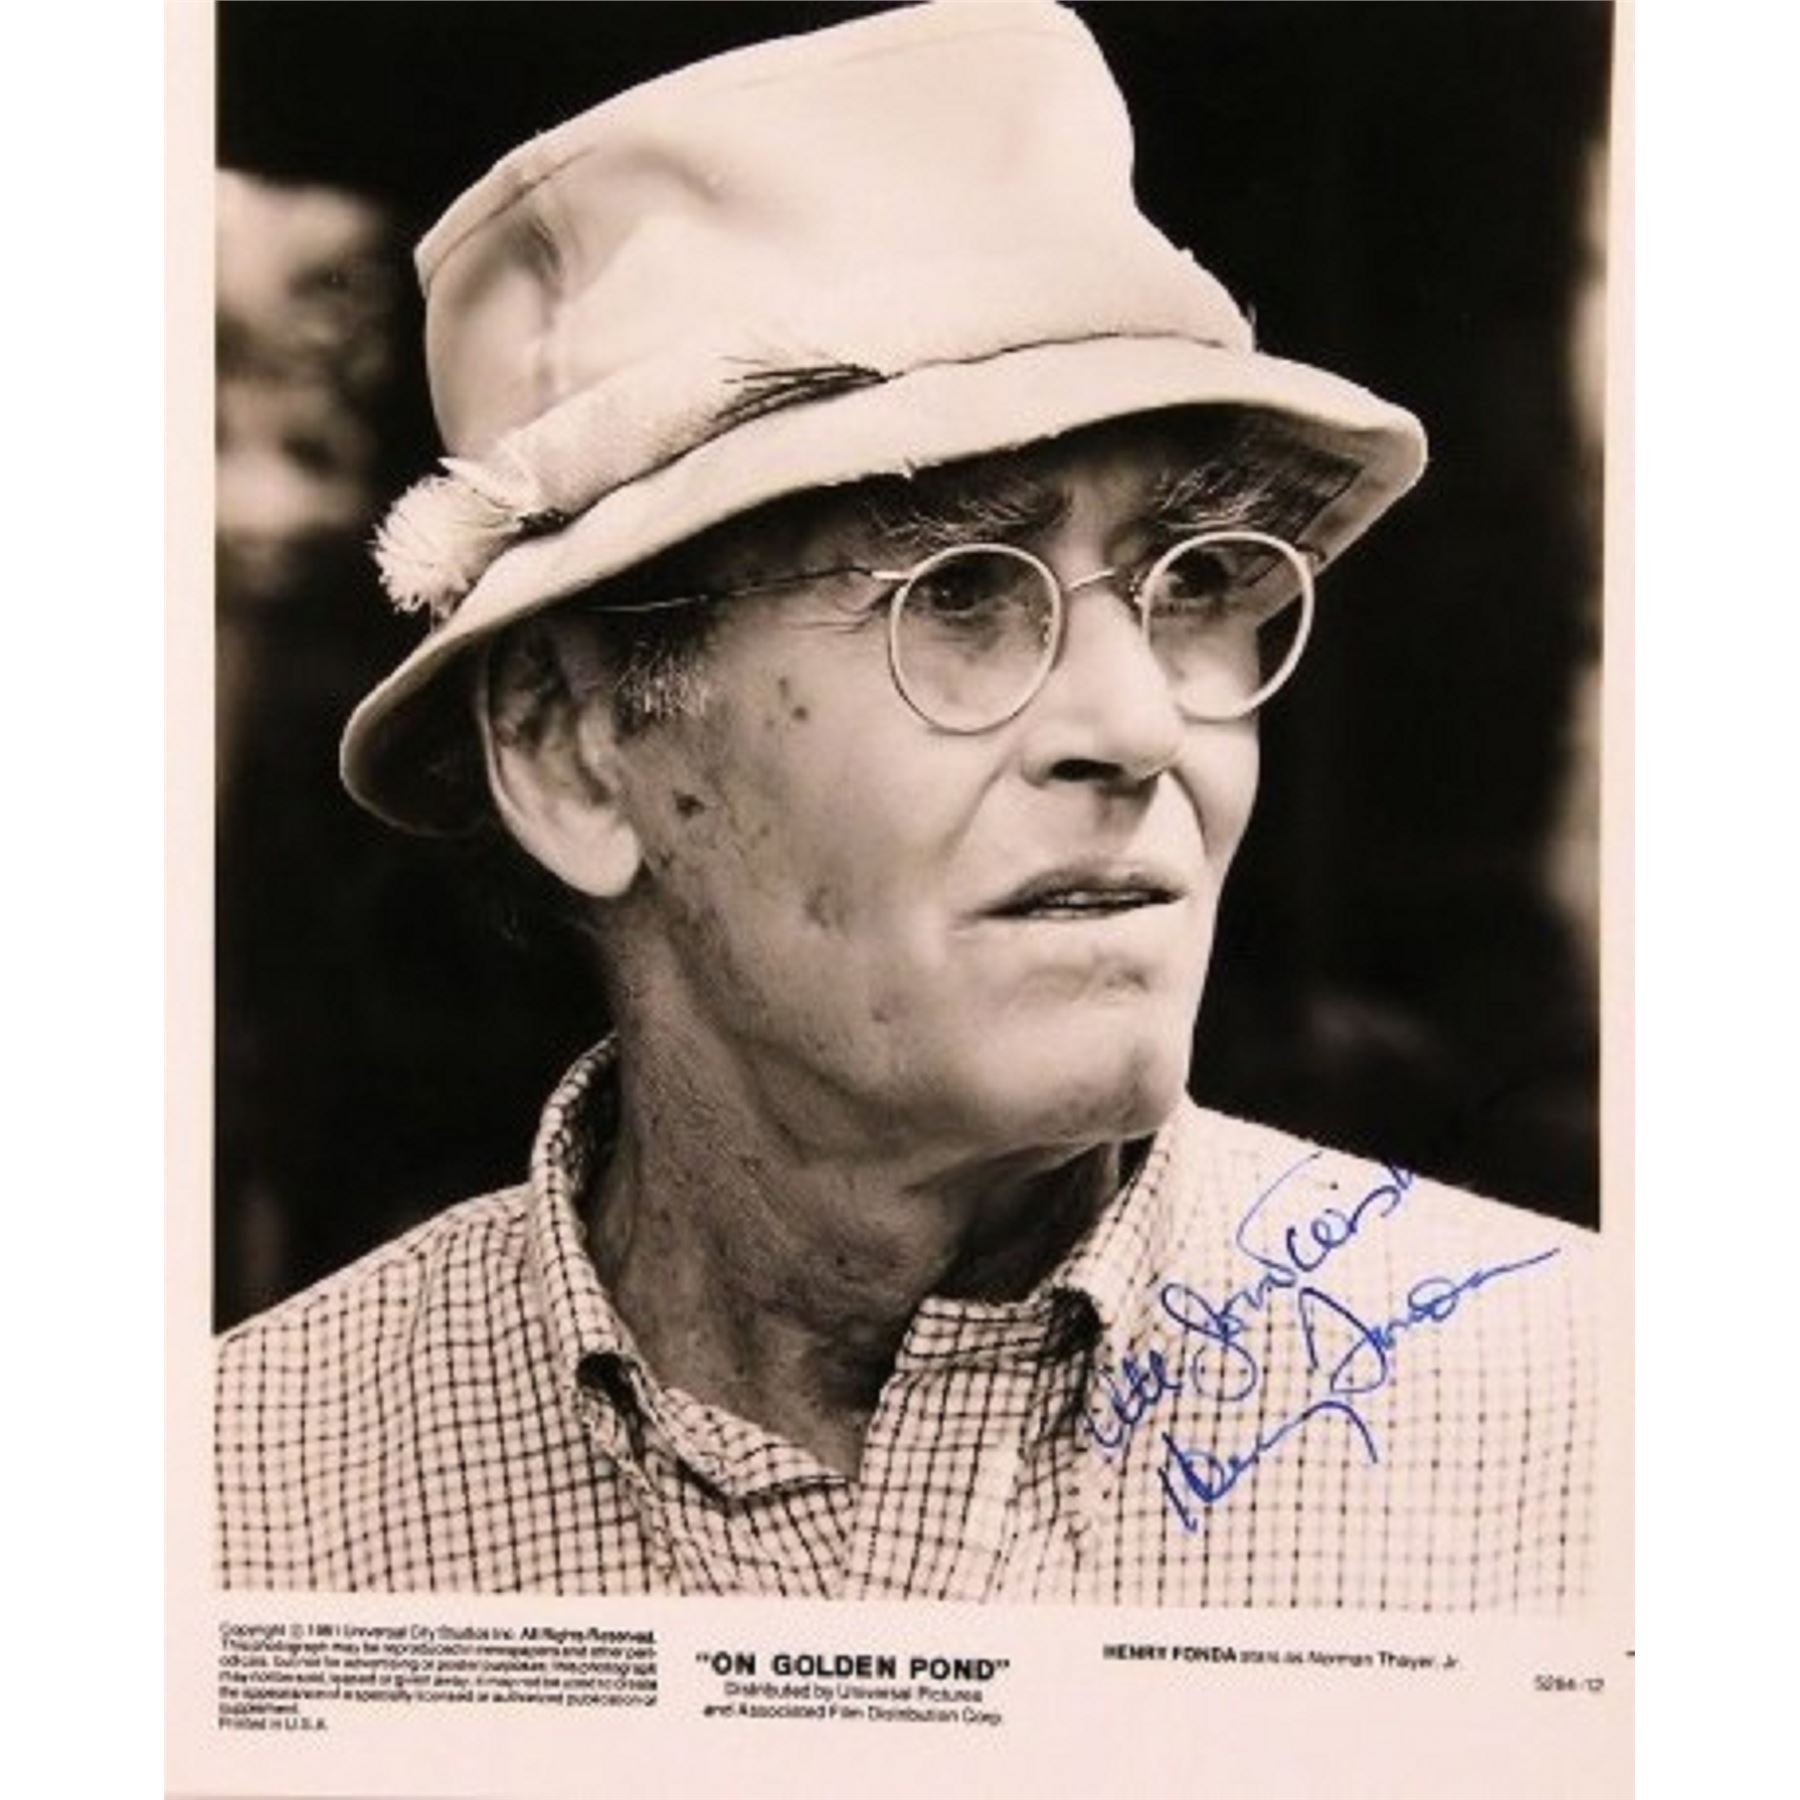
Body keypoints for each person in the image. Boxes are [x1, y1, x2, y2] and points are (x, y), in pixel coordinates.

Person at [216, 0, 1597, 1607]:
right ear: (576, 747)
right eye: (958, 593)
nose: (1140, 725)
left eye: (1196, 581)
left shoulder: (1592, 1435)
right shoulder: (234, 1510)